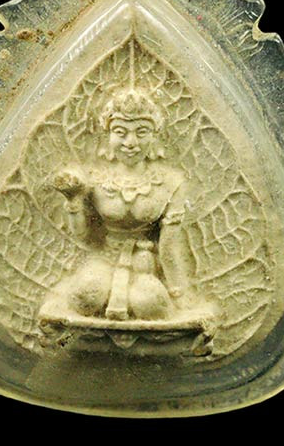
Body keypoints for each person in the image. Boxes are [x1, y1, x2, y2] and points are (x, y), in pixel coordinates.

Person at [52, 89, 192, 321]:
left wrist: (178, 291)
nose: (130, 143)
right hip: (104, 258)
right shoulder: (95, 180)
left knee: (149, 304)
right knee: (87, 296)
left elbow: (168, 247)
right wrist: (73, 200)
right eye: (120, 132)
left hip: (144, 263)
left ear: (155, 136)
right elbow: (84, 237)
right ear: (107, 135)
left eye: (141, 132)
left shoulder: (170, 183)